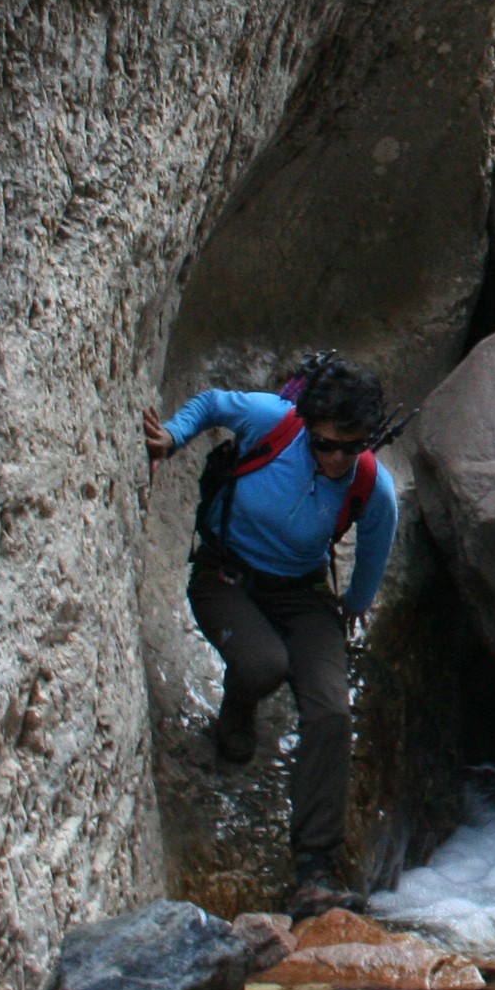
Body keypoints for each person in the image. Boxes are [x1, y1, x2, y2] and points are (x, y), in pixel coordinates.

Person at [142, 355, 401, 919]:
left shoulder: (370, 487)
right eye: (324, 444)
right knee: (263, 666)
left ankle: (314, 870)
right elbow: (211, 403)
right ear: (307, 426)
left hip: (302, 594)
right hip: (224, 575)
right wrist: (173, 437)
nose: (334, 459)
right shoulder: (272, 421)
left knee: (331, 712)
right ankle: (237, 708)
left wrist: (354, 607)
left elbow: (375, 551)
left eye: (349, 446)